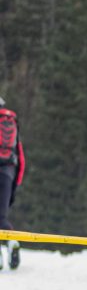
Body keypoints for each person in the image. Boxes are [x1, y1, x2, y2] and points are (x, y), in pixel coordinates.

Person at [0, 95, 24, 270]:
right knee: (1, 216)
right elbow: (21, 158)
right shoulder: (11, 122)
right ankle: (12, 240)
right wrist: (15, 184)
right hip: (8, 173)